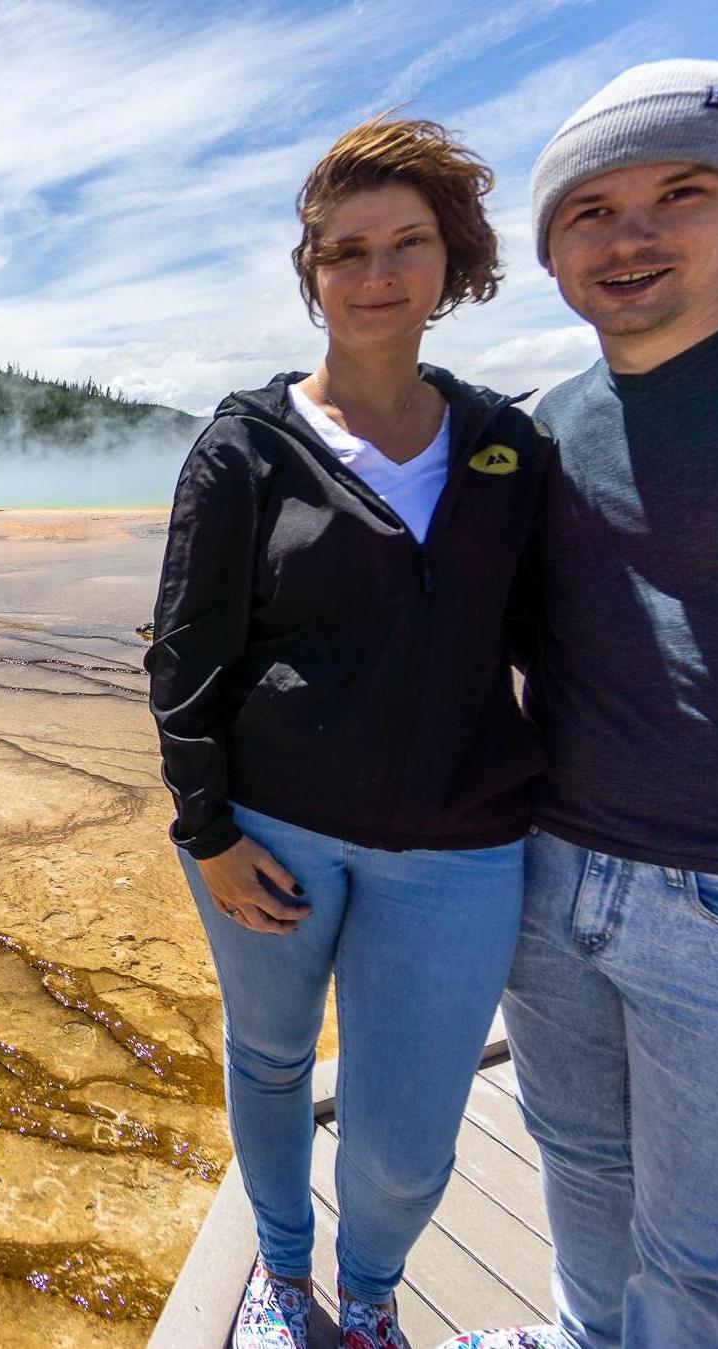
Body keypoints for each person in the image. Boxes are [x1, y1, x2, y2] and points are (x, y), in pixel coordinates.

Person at [447, 59, 718, 1349]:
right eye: (587, 210)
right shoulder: (546, 421)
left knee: (699, 1246)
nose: (627, 235)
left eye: (676, 192)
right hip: (553, 867)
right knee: (576, 1161)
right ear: (548, 247)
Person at [144, 116, 554, 1349]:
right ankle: (281, 1274)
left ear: (453, 262)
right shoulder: (247, 445)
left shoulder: (507, 444)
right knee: (269, 1059)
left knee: (404, 1124)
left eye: (406, 245)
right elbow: (183, 654)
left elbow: (555, 645)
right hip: (267, 833)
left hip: (461, 846)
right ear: (310, 272)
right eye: (344, 251)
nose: (374, 275)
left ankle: (367, 1291)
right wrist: (205, 828)